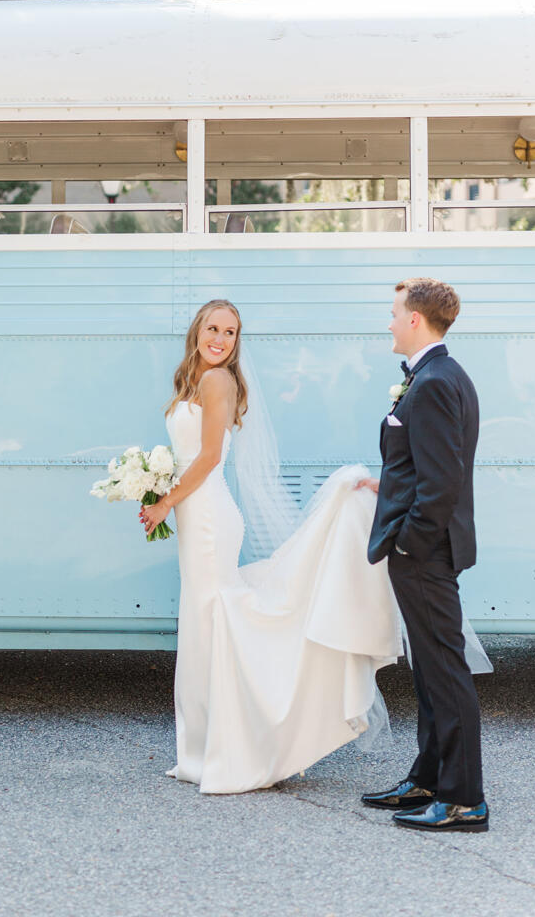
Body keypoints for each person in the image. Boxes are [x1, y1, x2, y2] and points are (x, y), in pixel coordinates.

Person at [139, 299, 403, 794]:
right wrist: (157, 489)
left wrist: (164, 502)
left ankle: (236, 747)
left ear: (238, 342)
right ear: (198, 331)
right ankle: (202, 749)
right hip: (198, 517)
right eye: (213, 328)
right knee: (202, 627)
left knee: (216, 622)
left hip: (210, 519)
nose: (220, 339)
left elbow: (210, 457)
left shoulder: (218, 381)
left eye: (231, 333)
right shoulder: (194, 379)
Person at [359, 277, 489, 833]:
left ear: (415, 319)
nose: (388, 322)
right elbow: (420, 466)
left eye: (393, 313)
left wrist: (409, 540)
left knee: (446, 671)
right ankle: (429, 779)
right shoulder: (437, 375)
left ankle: (464, 799)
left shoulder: (434, 382)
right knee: (431, 671)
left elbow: (442, 482)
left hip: (425, 552)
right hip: (424, 547)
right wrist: (385, 488)